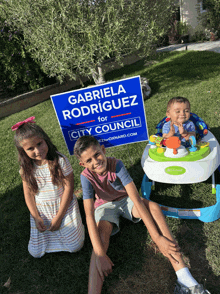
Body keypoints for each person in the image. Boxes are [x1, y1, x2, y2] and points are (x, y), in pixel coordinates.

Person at [74, 135, 210, 294]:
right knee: (101, 236)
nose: (95, 161)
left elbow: (136, 200)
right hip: (104, 206)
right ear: (82, 164)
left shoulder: (116, 164)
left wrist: (157, 238)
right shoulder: (86, 177)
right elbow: (89, 216)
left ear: (103, 150)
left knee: (153, 207)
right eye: (89, 160)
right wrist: (99, 254)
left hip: (126, 200)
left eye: (96, 154)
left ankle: (185, 279)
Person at [12, 116, 84, 258]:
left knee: (75, 246)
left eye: (39, 144)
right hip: (42, 212)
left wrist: (59, 217)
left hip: (63, 207)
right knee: (35, 252)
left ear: (46, 140)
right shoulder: (25, 168)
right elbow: (28, 194)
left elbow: (69, 188)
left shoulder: (60, 161)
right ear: (23, 151)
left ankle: (78, 226)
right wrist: (36, 216)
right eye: (30, 148)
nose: (37, 151)